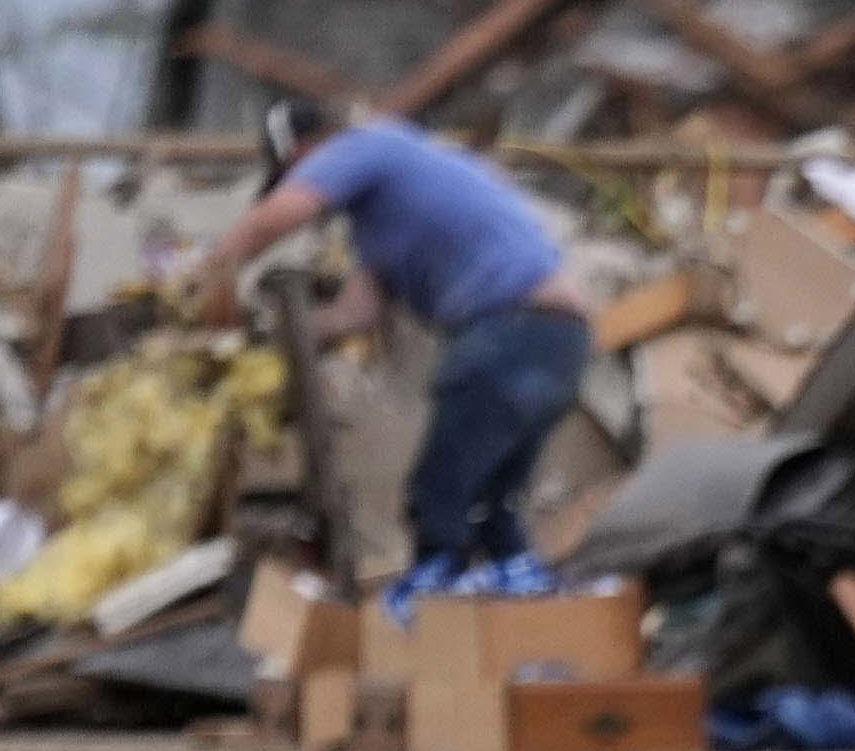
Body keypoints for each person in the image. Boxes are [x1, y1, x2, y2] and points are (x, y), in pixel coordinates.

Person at [192, 101, 598, 597]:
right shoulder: (380, 221)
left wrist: (201, 276)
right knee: (491, 505)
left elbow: (275, 219)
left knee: (439, 497)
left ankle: (425, 622)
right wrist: (273, 338)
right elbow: (354, 316)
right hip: (560, 339)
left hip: (509, 332)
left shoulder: (364, 146)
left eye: (294, 173)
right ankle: (532, 622)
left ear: (303, 151)